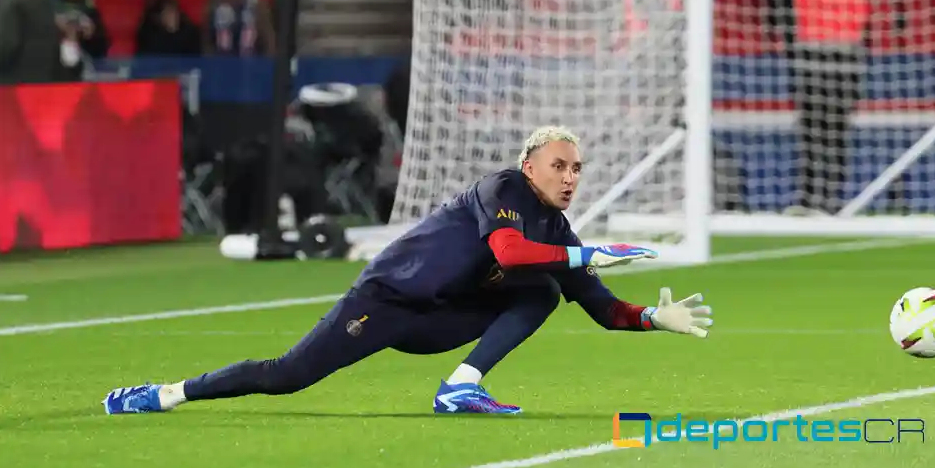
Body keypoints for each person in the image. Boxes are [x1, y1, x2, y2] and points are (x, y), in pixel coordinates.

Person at [102, 126, 714, 416]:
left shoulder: (555, 230)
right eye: (559, 165)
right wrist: (589, 254)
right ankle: (162, 394)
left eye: (577, 168)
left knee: (546, 292)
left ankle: (460, 386)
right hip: (389, 302)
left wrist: (653, 319)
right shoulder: (501, 187)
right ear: (529, 166)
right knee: (285, 376)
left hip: (441, 320)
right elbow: (507, 253)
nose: (570, 177)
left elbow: (603, 308)